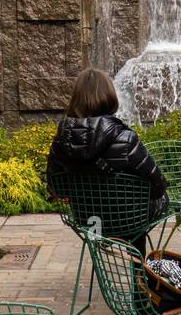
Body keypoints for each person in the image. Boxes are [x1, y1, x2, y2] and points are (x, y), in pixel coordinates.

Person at [46, 69, 168, 224]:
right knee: (161, 199)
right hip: (128, 219)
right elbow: (158, 185)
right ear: (109, 96)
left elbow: (55, 186)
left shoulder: (61, 140)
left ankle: (98, 242)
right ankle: (134, 247)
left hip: (86, 218)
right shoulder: (126, 139)